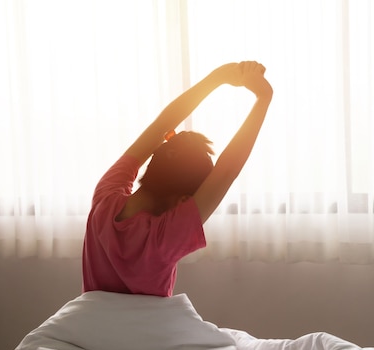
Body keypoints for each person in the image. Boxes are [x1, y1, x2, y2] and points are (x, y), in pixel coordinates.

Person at [82, 61, 273, 297]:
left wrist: (218, 77)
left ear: (154, 159)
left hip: (93, 330)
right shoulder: (164, 237)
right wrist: (263, 97)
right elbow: (227, 170)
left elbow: (162, 125)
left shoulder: (104, 199)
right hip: (145, 333)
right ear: (184, 199)